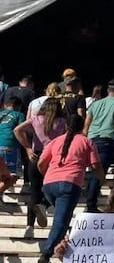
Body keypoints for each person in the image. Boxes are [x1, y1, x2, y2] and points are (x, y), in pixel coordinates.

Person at [36, 114, 104, 263]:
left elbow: (40, 163)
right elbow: (95, 165)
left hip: (49, 184)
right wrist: (102, 179)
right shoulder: (86, 141)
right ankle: (46, 255)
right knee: (60, 222)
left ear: (66, 126)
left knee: (63, 219)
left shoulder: (55, 141)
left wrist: (48, 175)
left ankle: (43, 205)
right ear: (83, 127)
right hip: (69, 184)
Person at [14, 98, 66, 239]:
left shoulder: (35, 119)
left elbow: (17, 130)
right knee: (55, 189)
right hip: (53, 159)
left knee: (34, 192)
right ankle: (44, 204)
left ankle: (29, 226)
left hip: (36, 156)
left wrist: (27, 148)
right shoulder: (62, 122)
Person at [84, 78, 114, 212]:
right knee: (98, 173)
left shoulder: (95, 104)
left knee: (93, 171)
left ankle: (89, 201)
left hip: (91, 139)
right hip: (107, 140)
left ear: (108, 90)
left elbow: (86, 125)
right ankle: (91, 205)